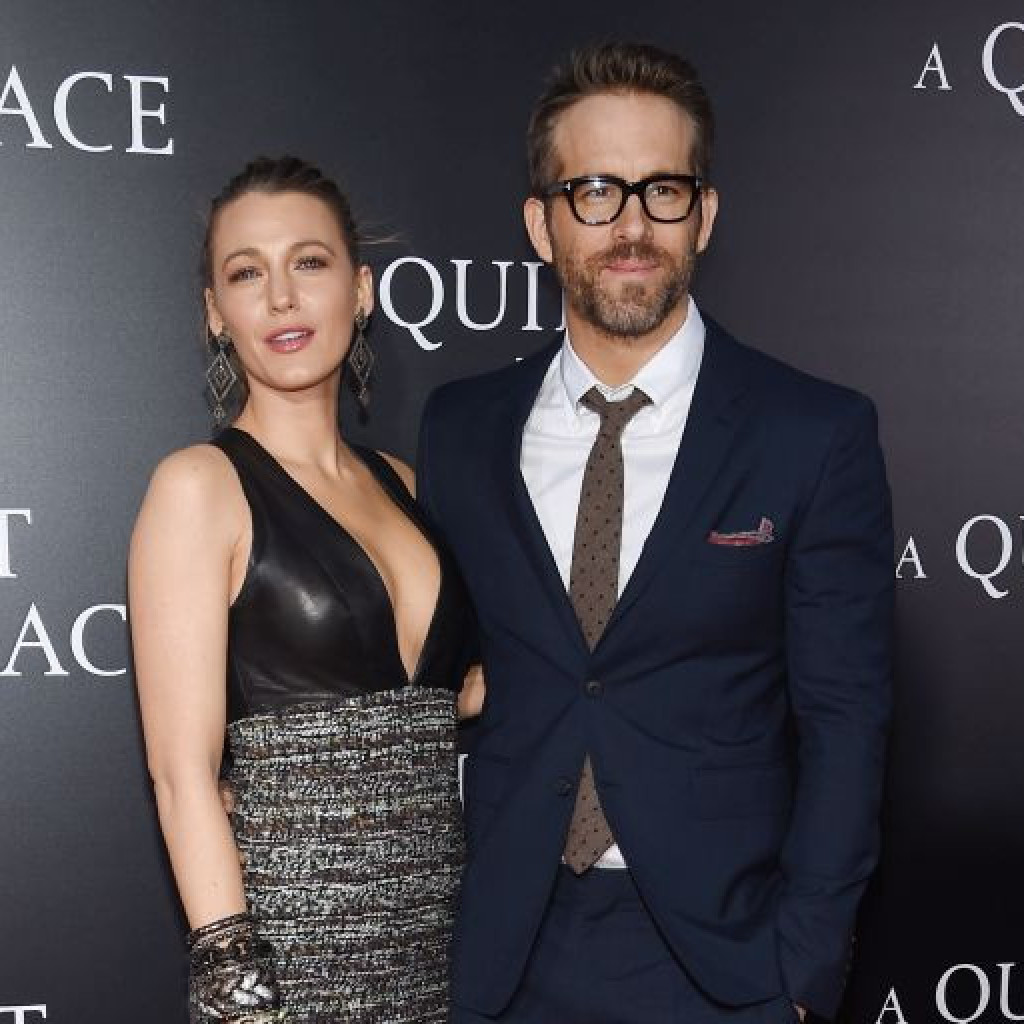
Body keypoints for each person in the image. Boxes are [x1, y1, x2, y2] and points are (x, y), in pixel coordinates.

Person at [417, 42, 893, 1024]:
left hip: (727, 963)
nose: (631, 225)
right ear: (541, 225)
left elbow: (846, 723)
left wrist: (801, 973)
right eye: (594, 190)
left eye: (662, 190)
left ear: (704, 215)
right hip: (505, 954)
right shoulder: (461, 430)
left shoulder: (812, 433)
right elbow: (430, 662)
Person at [129, 156, 476, 1023]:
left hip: (442, 959)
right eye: (247, 273)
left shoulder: (402, 484)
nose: (282, 298)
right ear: (216, 312)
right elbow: (182, 777)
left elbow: (444, 698)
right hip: (292, 967)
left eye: (308, 262)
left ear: (360, 291)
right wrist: (245, 1005)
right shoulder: (199, 487)